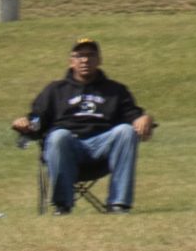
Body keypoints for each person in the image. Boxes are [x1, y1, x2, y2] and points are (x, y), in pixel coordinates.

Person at [14, 38, 154, 214]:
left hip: (103, 149)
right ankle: (62, 205)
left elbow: (134, 116)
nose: (85, 60)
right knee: (59, 136)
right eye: (79, 56)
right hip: (68, 148)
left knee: (125, 131)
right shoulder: (55, 90)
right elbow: (37, 120)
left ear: (99, 60)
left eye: (90, 55)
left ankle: (119, 204)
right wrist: (25, 124)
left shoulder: (116, 90)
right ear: (71, 61)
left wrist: (145, 118)